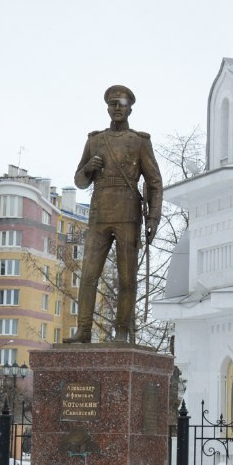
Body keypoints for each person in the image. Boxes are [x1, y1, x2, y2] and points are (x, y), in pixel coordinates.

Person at [64, 85, 162, 343]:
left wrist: (153, 218)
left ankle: (122, 329)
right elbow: (80, 181)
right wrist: (88, 167)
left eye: (121, 104)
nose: (117, 108)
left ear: (130, 107)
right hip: (99, 215)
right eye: (112, 104)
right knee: (88, 275)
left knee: (126, 276)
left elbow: (154, 182)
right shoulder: (95, 140)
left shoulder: (139, 141)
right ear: (107, 107)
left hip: (128, 214)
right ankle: (83, 330)